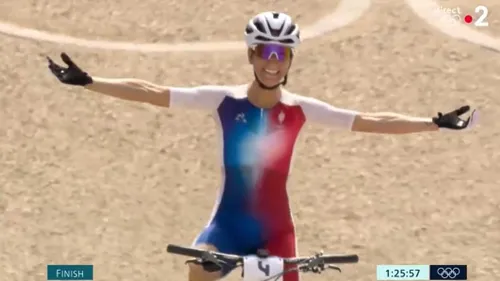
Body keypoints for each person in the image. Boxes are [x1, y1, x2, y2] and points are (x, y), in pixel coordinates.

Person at [46, 11, 477, 281]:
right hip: (226, 227)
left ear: (289, 62)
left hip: (276, 233)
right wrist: (90, 83)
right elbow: (152, 90)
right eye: (265, 52)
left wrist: (432, 124)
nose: (272, 62)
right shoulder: (222, 101)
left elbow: (370, 121)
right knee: (197, 271)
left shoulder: (302, 109)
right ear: (252, 56)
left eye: (281, 54)